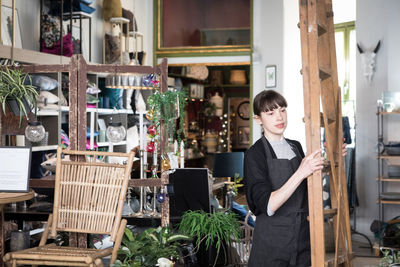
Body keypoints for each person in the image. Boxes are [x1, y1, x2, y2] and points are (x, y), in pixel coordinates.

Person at [244, 90, 345, 267]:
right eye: (270, 113)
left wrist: (333, 159)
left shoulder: (295, 146)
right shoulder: (255, 154)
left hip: (302, 237)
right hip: (273, 240)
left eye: (282, 110)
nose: (279, 117)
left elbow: (307, 186)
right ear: (258, 119)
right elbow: (268, 205)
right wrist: (301, 171)